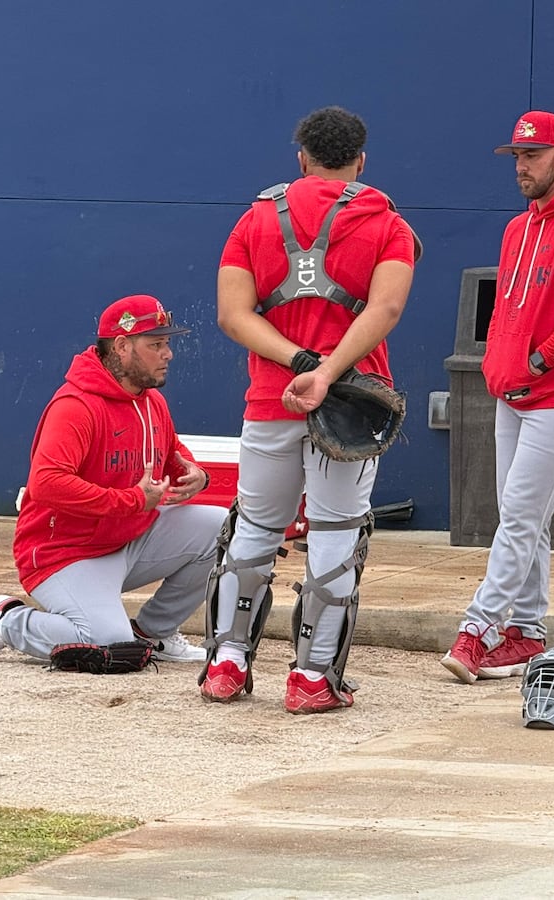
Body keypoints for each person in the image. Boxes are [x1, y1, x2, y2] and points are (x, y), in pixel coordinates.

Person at [203, 105, 417, 714]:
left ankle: (226, 663)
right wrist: (327, 373)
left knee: (253, 527)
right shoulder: (387, 223)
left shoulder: (253, 220)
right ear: (360, 162)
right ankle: (312, 679)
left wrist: (300, 365)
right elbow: (386, 310)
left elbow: (232, 314)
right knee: (336, 533)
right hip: (353, 404)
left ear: (300, 159)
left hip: (271, 400)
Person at [441, 112, 554, 683]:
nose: (522, 167)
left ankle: (477, 629)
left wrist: (542, 358)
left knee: (520, 515)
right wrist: (506, 363)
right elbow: (508, 311)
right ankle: (525, 632)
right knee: (525, 517)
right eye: (517, 156)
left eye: (534, 156)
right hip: (515, 390)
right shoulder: (520, 226)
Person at [0, 294, 226, 665]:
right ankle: (9, 620)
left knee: (222, 528)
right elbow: (47, 482)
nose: (168, 354)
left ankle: (155, 633)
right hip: (66, 554)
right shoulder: (76, 405)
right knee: (108, 644)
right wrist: (131, 501)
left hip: (129, 539)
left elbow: (170, 452)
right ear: (122, 346)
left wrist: (195, 473)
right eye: (156, 344)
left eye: (167, 344)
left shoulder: (150, 400)